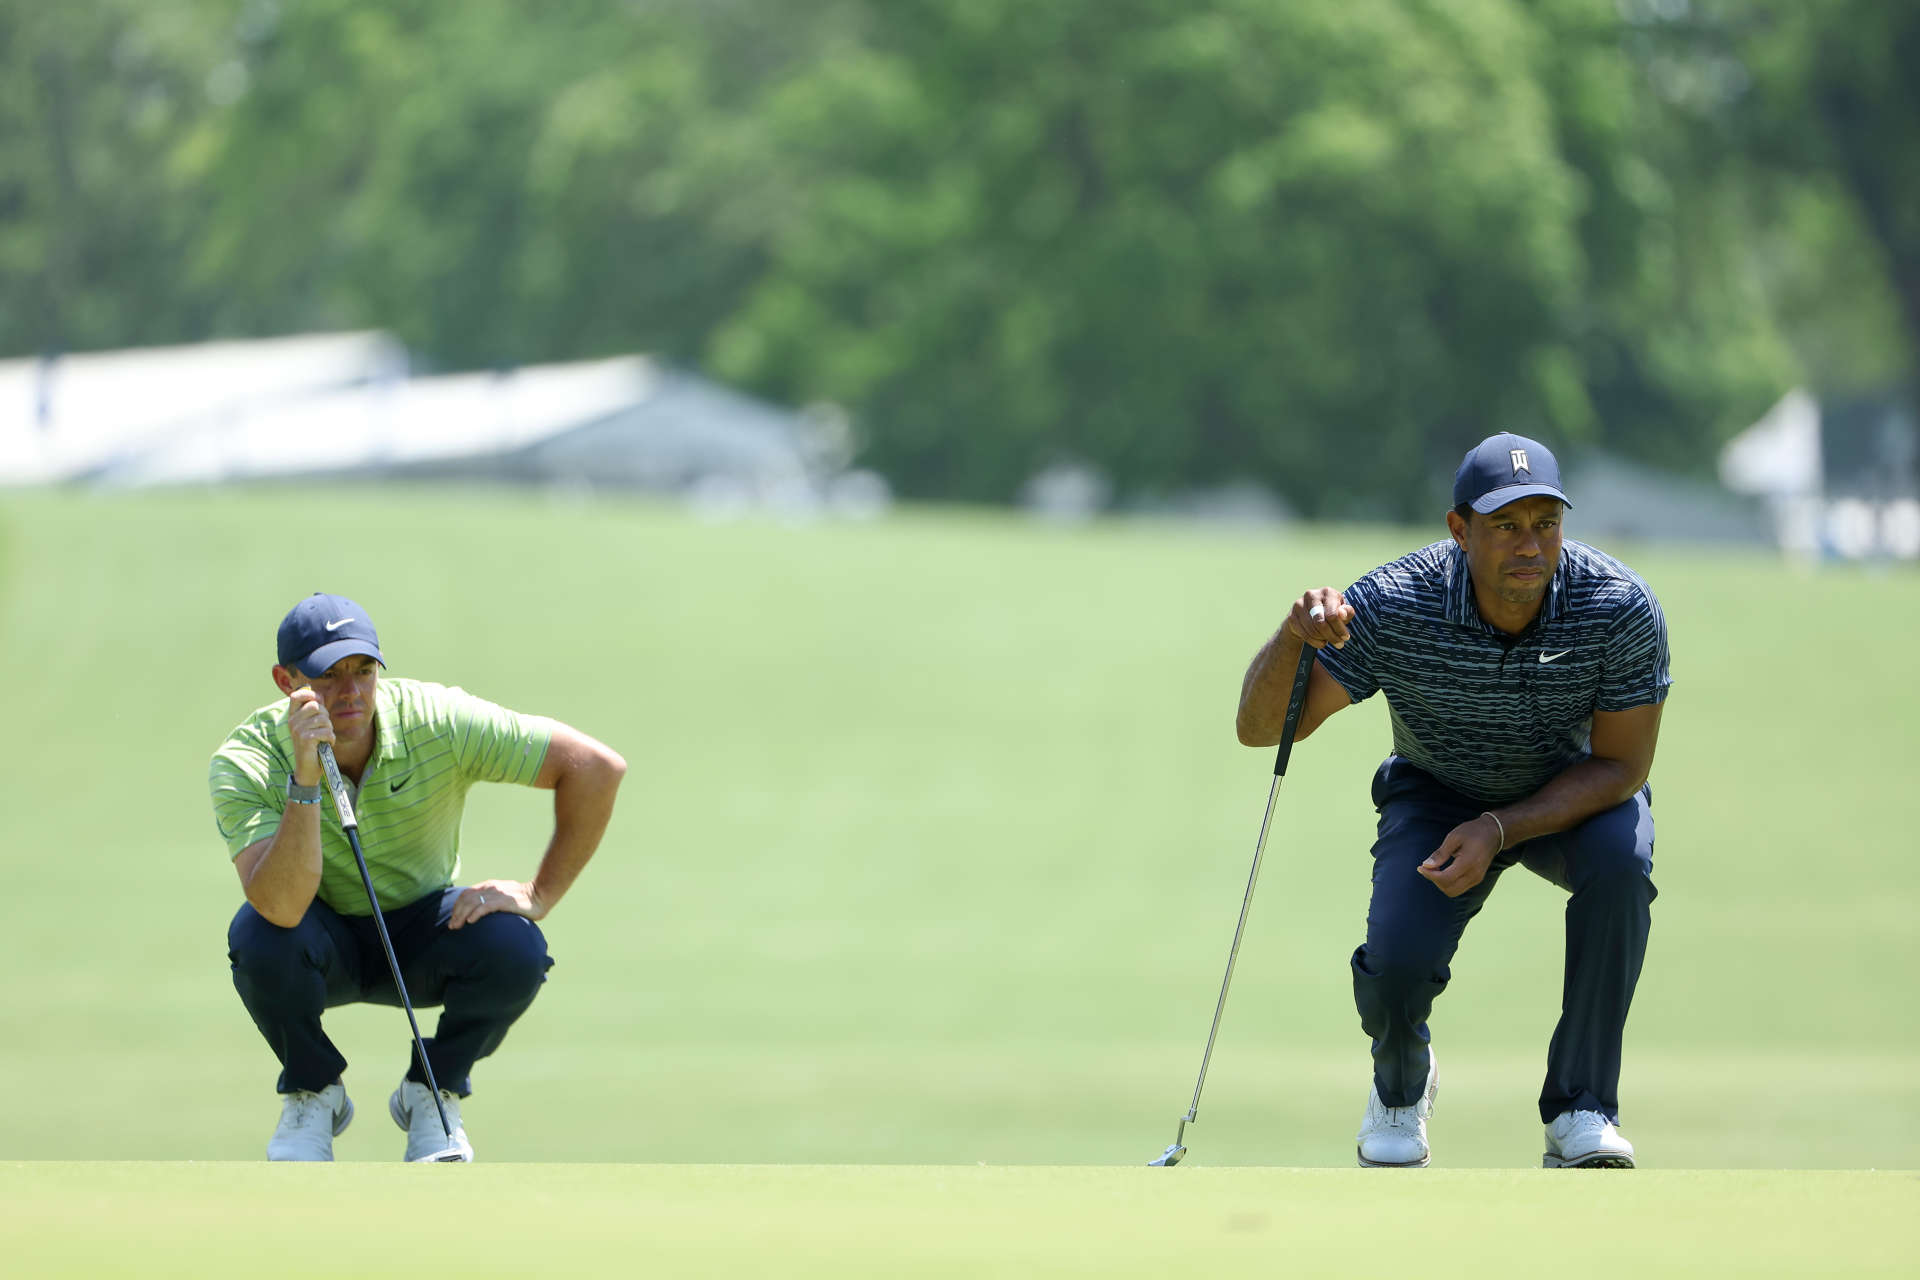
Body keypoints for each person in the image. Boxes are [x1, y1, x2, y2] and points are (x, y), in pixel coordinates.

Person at [1235, 433, 1669, 1169]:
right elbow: (1258, 729)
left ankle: (1582, 1108)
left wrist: (1499, 828)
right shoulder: (1395, 603)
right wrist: (1292, 636)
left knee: (1621, 864)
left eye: (1546, 524)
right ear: (1459, 530)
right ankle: (1403, 1088)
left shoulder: (1617, 608)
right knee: (1396, 964)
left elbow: (1623, 766)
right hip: (1437, 791)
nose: (1530, 545)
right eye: (1506, 526)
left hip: (1574, 795)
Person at [209, 593, 627, 1162]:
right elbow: (280, 906)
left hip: (422, 928)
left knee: (515, 946)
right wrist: (305, 776)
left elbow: (596, 769)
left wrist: (538, 894)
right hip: (316, 936)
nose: (350, 692)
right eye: (327, 676)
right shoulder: (247, 758)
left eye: (362, 671)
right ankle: (314, 1092)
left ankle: (434, 1089)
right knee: (257, 935)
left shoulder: (437, 721)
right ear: (287, 682)